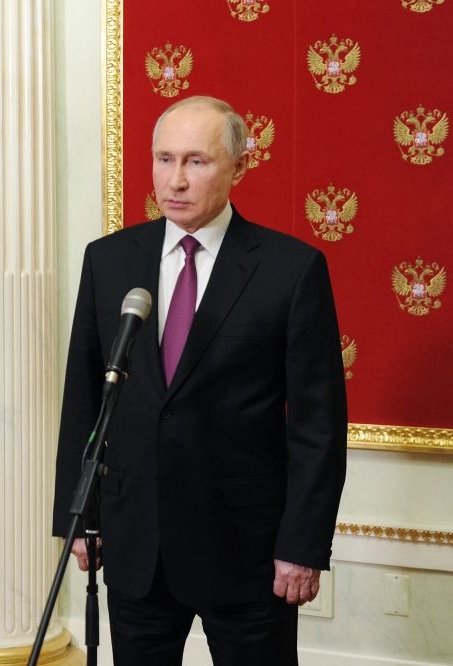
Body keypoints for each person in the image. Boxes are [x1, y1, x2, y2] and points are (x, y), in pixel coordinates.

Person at [53, 96, 347, 665]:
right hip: (136, 543)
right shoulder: (109, 260)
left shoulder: (291, 269)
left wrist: (303, 545)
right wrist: (80, 515)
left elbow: (319, 425)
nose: (176, 180)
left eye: (197, 161)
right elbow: (85, 397)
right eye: (164, 159)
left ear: (239, 166)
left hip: (247, 552)